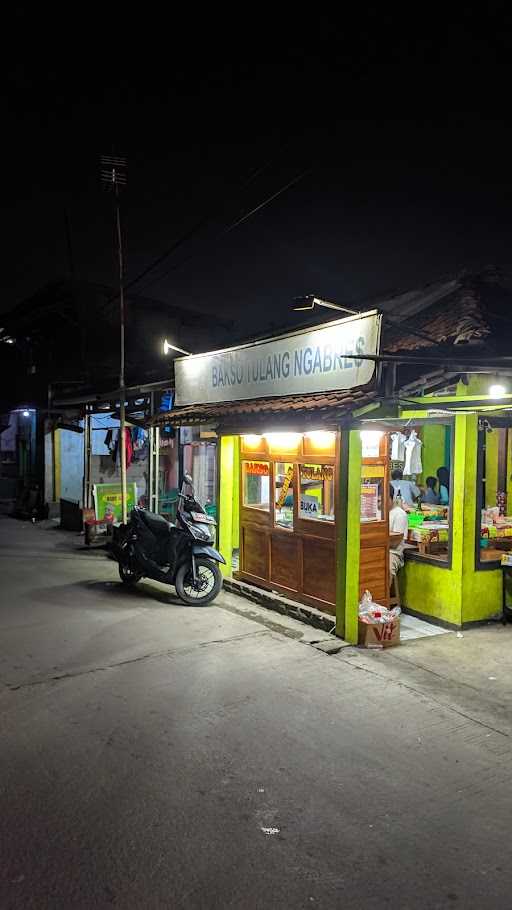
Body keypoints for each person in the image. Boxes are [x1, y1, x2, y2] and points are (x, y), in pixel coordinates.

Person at [389, 484, 409, 576]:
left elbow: (395, 543)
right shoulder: (377, 512)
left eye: (380, 500)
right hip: (377, 550)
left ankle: (385, 590)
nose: (378, 503)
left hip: (393, 553)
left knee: (386, 569)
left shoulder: (399, 514)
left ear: (390, 498)